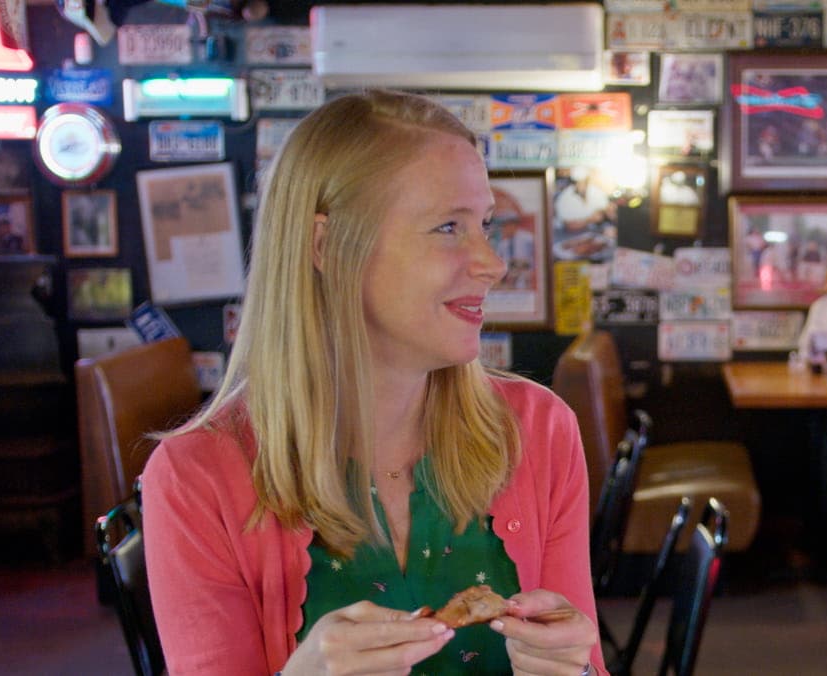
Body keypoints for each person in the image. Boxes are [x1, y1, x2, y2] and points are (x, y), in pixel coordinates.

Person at [141, 89, 604, 676]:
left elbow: (583, 660)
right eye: (448, 227)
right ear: (327, 246)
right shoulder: (195, 478)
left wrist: (575, 671)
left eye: (484, 225)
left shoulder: (539, 430)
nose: (493, 263)